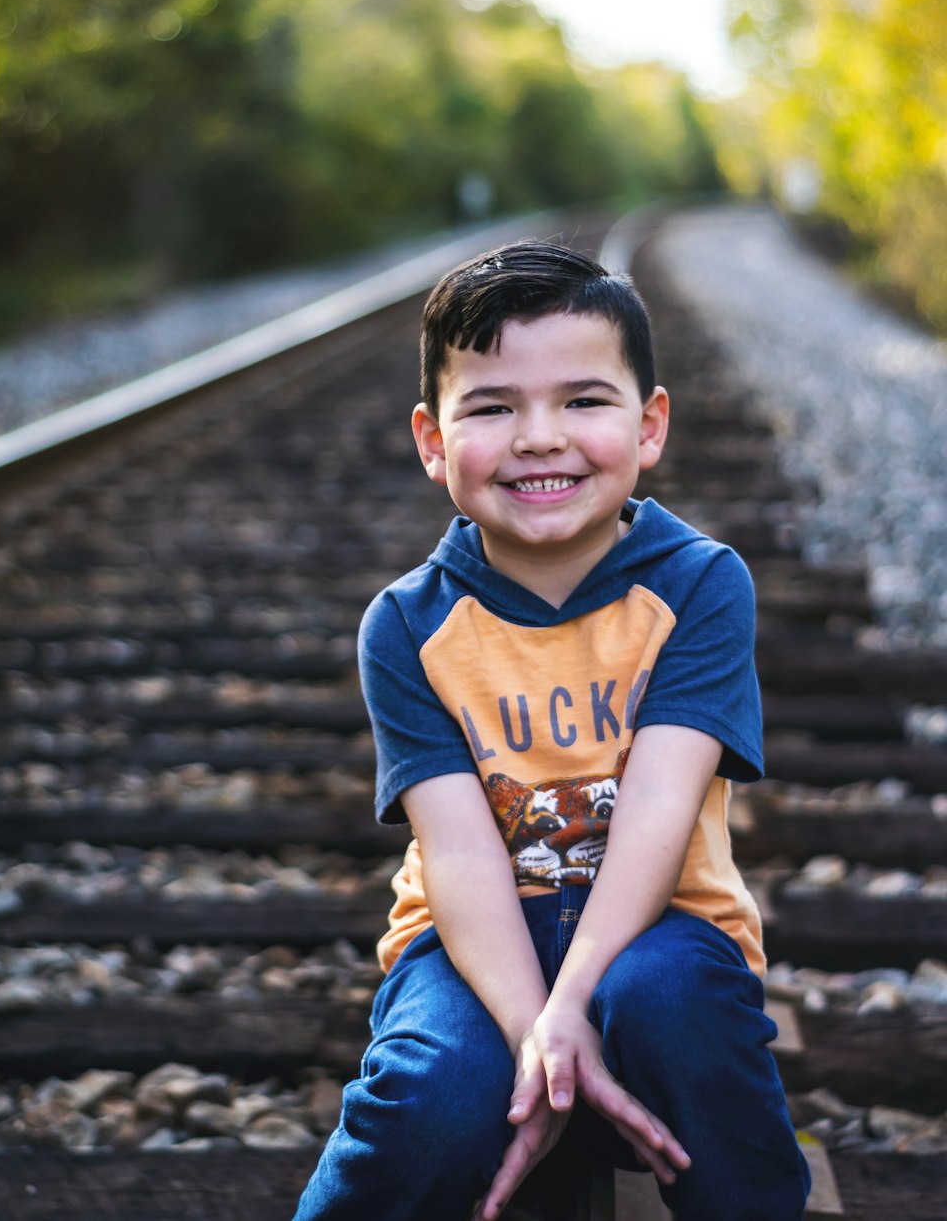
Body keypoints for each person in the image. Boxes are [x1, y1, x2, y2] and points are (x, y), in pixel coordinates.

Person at [294, 241, 811, 1221]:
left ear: (648, 425)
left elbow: (658, 811)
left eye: (583, 400)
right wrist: (539, 1031)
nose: (540, 437)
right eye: (491, 407)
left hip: (663, 922)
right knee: (430, 1095)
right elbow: (455, 851)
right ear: (433, 440)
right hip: (468, 941)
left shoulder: (697, 584)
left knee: (676, 1011)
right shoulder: (407, 625)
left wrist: (571, 1006)